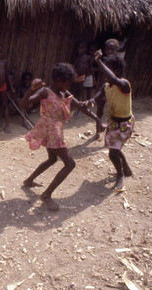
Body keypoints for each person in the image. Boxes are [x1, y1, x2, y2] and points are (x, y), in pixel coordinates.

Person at [21, 63, 103, 211]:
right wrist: (31, 89)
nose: (69, 85)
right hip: (52, 132)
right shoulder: (45, 92)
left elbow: (80, 106)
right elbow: (23, 103)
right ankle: (46, 195)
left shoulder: (64, 93)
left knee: (52, 159)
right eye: (68, 82)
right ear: (58, 80)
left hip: (53, 130)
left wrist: (97, 119)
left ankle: (29, 180)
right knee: (70, 164)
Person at [92, 48, 133, 191]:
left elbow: (114, 79)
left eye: (106, 71)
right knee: (114, 147)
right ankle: (126, 167)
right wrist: (90, 100)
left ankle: (120, 175)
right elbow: (98, 95)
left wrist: (99, 61)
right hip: (113, 123)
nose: (104, 74)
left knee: (113, 152)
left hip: (125, 124)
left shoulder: (124, 84)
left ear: (115, 71)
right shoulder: (106, 85)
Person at [93, 39, 126, 138]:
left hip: (115, 90)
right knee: (99, 110)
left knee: (113, 113)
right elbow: (100, 75)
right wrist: (99, 86)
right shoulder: (104, 61)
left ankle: (110, 134)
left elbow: (121, 77)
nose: (109, 52)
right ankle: (97, 131)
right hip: (104, 88)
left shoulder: (119, 62)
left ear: (116, 50)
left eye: (112, 49)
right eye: (107, 49)